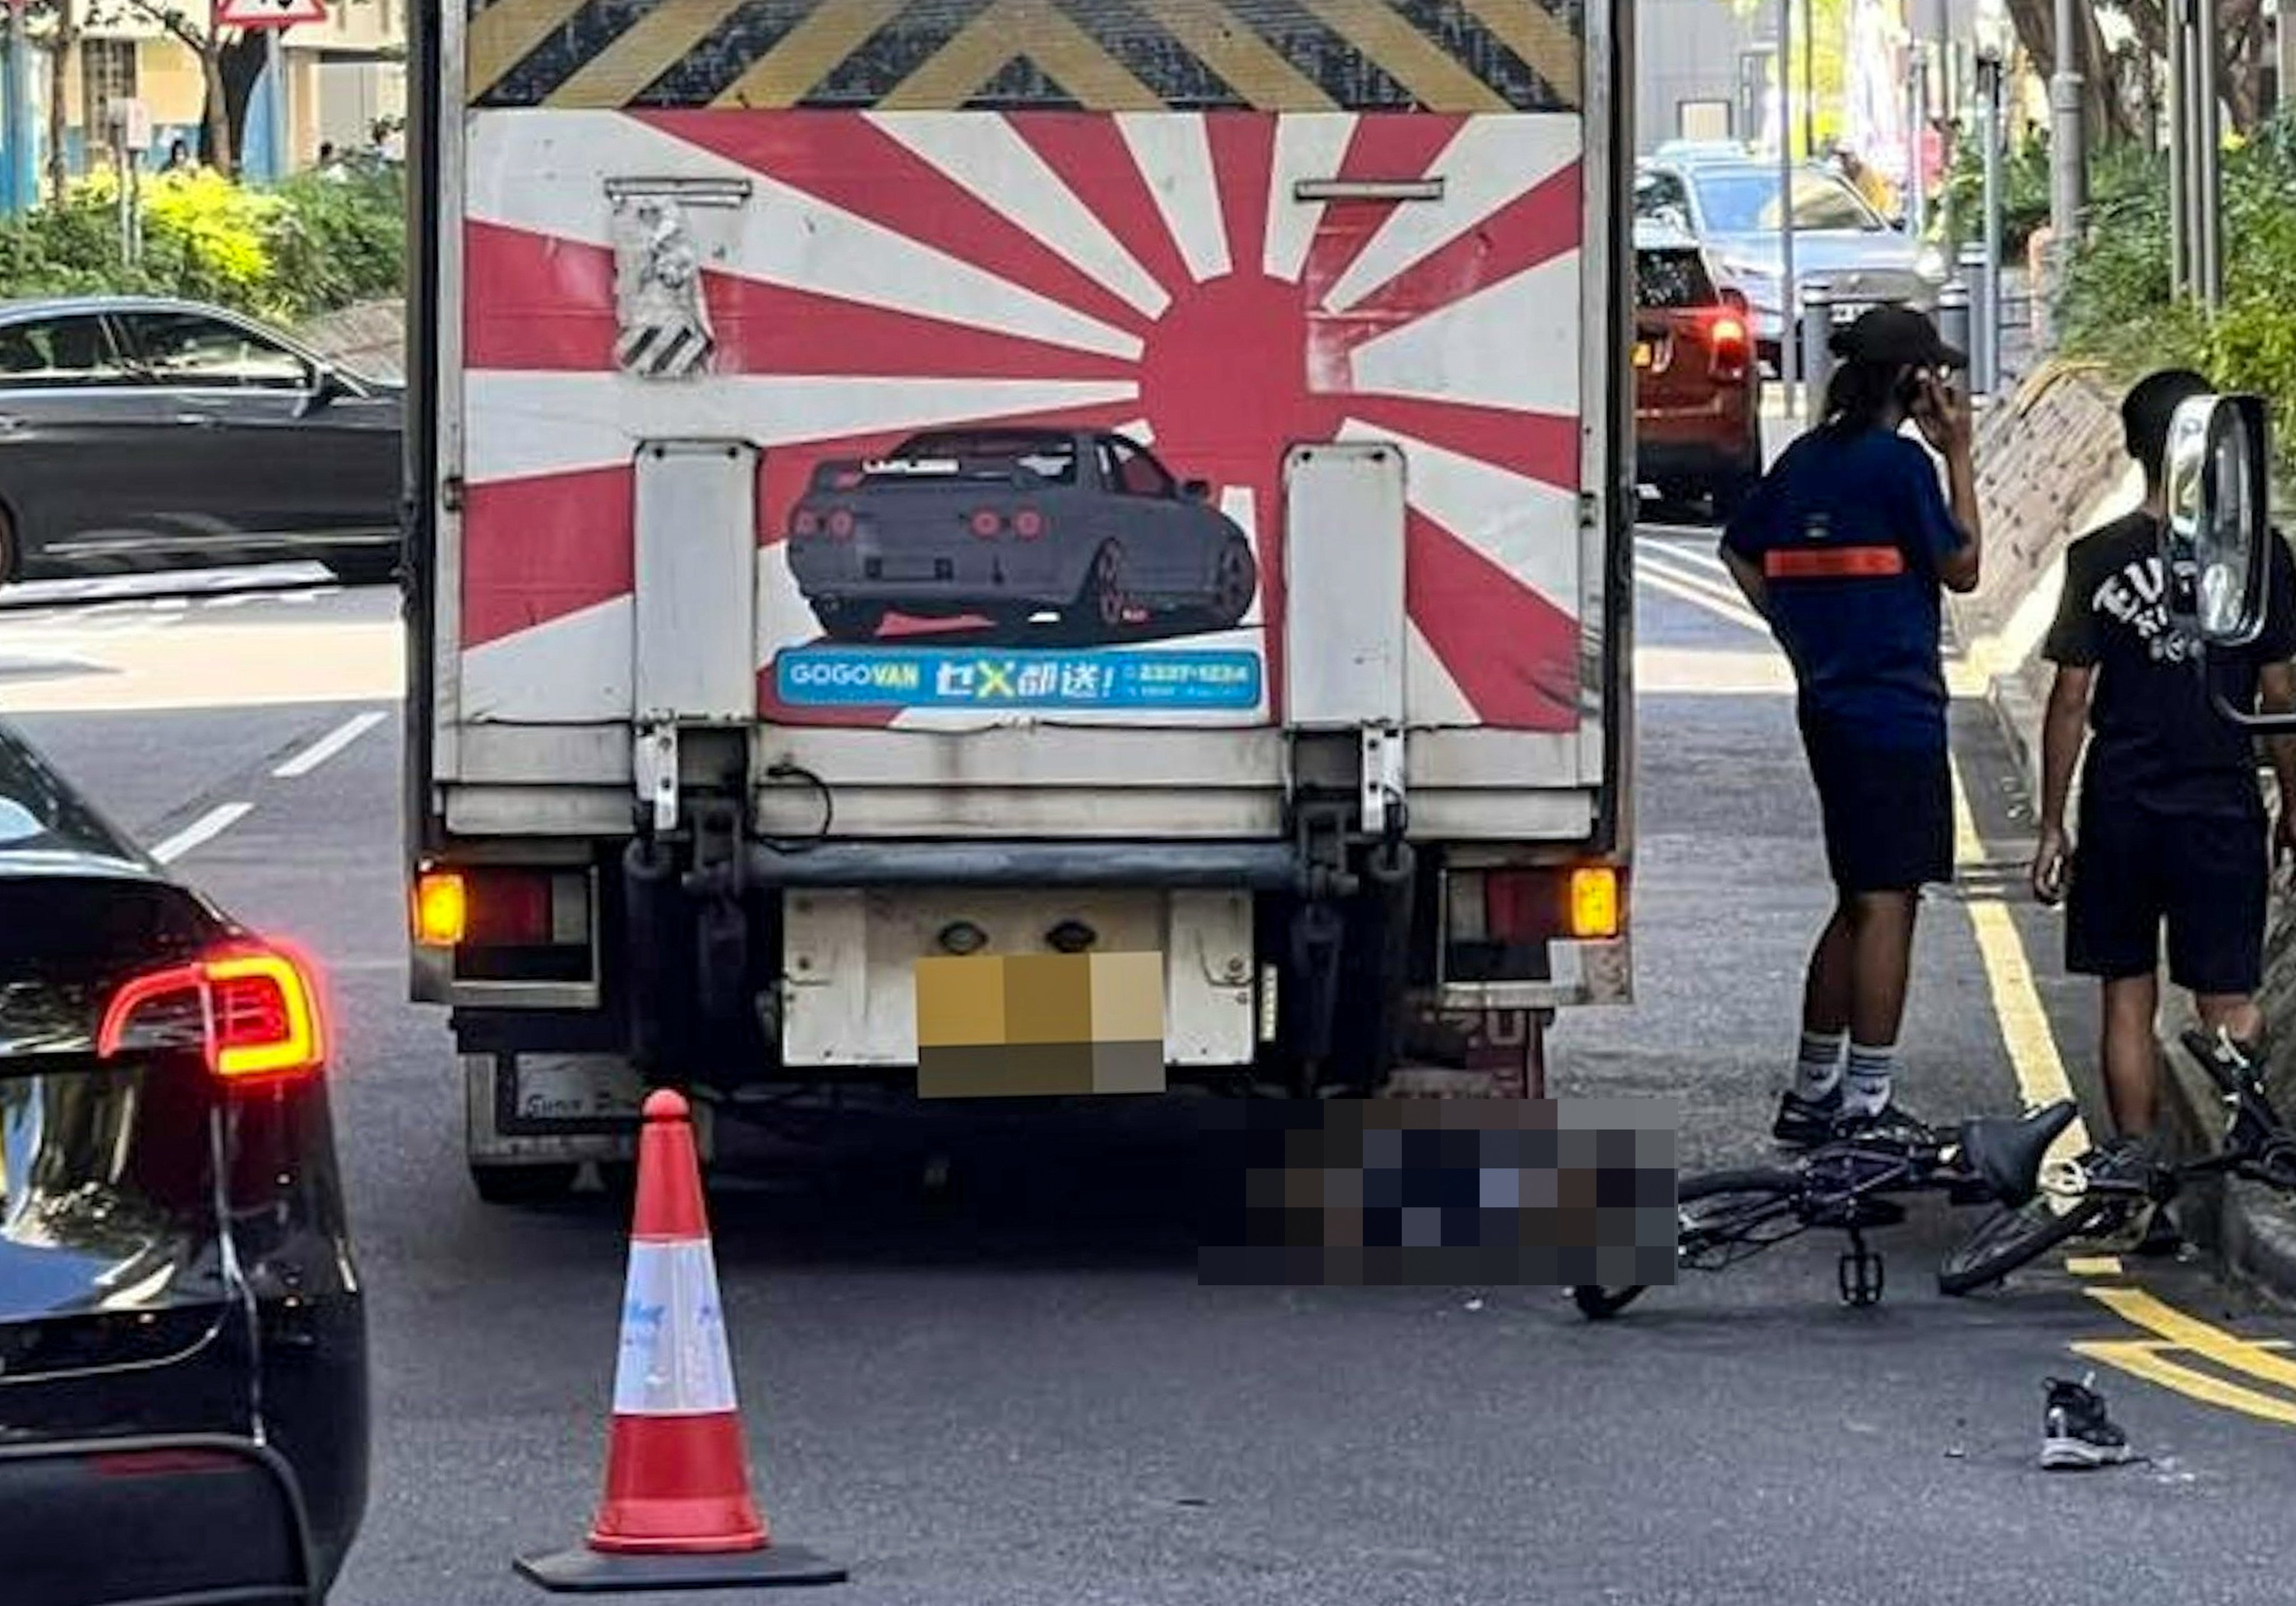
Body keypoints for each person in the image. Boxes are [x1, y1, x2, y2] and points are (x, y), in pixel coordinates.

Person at [2031, 368, 2296, 1244]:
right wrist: (2295, 803)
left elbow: (2071, 696)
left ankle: (2137, 1181)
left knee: (2125, 996)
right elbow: (2279, 693)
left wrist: (2051, 822)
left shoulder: (2097, 557)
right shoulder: (2260, 555)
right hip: (2220, 798)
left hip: (2123, 803)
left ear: (2132, 449)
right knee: (2229, 997)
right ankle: (2230, 1096)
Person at [1721, 306, 1981, 1145]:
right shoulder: (1901, 466)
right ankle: (1867, 1105)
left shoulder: (1805, 460)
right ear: (1911, 380)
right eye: (1933, 374)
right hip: (1895, 713)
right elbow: (1965, 566)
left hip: (1829, 707)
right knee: (1889, 903)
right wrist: (1961, 455)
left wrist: (1799, 633)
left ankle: (1813, 1088)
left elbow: (1740, 550)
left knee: (1856, 900)